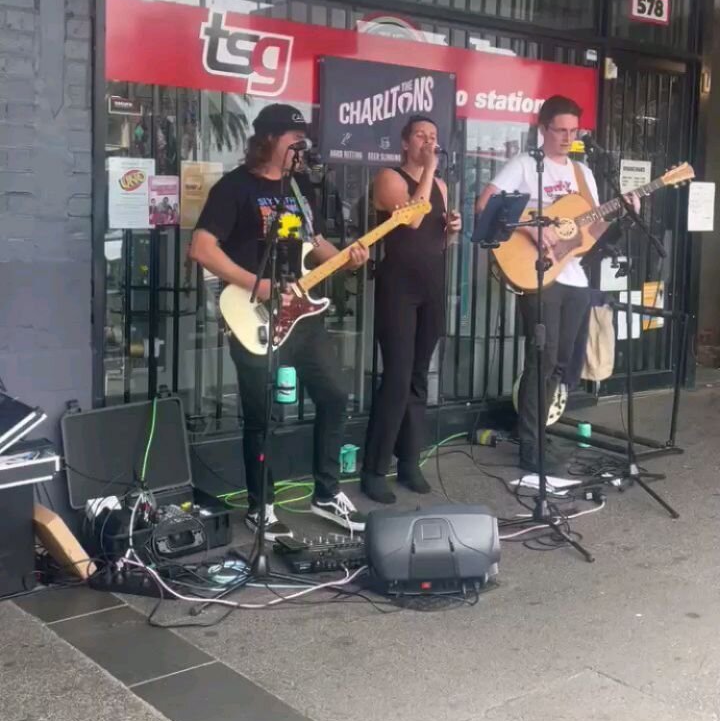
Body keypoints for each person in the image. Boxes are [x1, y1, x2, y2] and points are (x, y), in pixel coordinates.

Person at [189, 103, 370, 539]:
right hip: (254, 313)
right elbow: (201, 248)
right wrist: (258, 284)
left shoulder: (299, 187)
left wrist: (348, 259)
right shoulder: (234, 188)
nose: (300, 146)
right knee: (261, 413)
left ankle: (325, 494)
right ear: (269, 139)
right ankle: (261, 505)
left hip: (302, 313)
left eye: (303, 139)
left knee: (334, 395)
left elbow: (316, 242)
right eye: (294, 138)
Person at [475, 95, 636, 474]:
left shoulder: (583, 174)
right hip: (535, 273)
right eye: (560, 130)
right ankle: (530, 446)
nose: (567, 137)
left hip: (574, 275)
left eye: (573, 130)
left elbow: (591, 230)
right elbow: (486, 204)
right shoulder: (526, 165)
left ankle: (538, 436)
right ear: (543, 129)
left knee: (562, 364)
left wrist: (623, 212)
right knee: (541, 359)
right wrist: (531, 227)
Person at [361, 115, 462, 503]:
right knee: (398, 377)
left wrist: (451, 230)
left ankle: (409, 462)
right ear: (405, 143)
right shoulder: (390, 178)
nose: (428, 142)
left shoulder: (439, 185)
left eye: (434, 137)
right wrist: (431, 166)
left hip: (432, 284)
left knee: (420, 377)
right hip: (398, 288)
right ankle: (374, 467)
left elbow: (438, 241)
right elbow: (415, 218)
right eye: (421, 136)